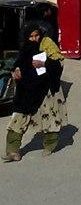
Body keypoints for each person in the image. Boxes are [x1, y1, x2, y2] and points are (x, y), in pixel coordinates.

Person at [3, 24, 67, 161]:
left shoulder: (47, 44)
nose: (34, 39)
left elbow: (59, 64)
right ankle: (13, 151)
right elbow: (19, 63)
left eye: (36, 35)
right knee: (19, 117)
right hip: (27, 88)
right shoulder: (25, 47)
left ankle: (50, 145)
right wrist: (16, 71)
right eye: (31, 36)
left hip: (46, 87)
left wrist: (45, 64)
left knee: (49, 117)